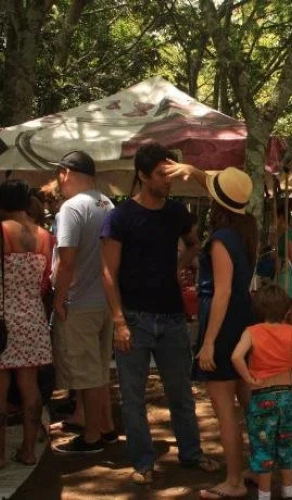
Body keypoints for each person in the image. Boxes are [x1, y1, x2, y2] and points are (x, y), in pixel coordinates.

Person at [101, 143, 218, 484]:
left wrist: (178, 267)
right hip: (133, 319)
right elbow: (107, 272)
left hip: (172, 317)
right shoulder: (120, 217)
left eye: (170, 174)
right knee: (133, 398)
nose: (168, 181)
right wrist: (119, 321)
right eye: (161, 174)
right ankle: (143, 463)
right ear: (142, 175)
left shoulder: (177, 212)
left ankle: (191, 454)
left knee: (181, 393)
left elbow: (194, 244)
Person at [166, 163, 258, 498]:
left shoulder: (220, 240)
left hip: (223, 324)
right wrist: (193, 171)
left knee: (225, 409)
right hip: (243, 321)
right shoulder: (246, 230)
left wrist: (208, 343)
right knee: (248, 402)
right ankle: (258, 468)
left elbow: (222, 293)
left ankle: (233, 481)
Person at [0, 179, 54, 468]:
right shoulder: (45, 237)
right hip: (32, 317)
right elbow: (44, 280)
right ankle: (28, 450)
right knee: (29, 385)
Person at [49, 151, 119, 455]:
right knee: (100, 370)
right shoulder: (107, 204)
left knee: (87, 374)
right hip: (105, 301)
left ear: (66, 173)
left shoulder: (72, 208)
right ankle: (105, 427)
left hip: (79, 302)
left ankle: (91, 437)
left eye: (58, 175)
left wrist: (59, 299)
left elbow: (67, 261)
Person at [231, 285, 292, 500]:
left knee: (263, 446)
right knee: (287, 443)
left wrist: (248, 378)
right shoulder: (291, 332)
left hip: (262, 396)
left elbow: (236, 357)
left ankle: (264, 495)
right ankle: (288, 492)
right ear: (286, 311)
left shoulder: (251, 332)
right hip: (285, 396)